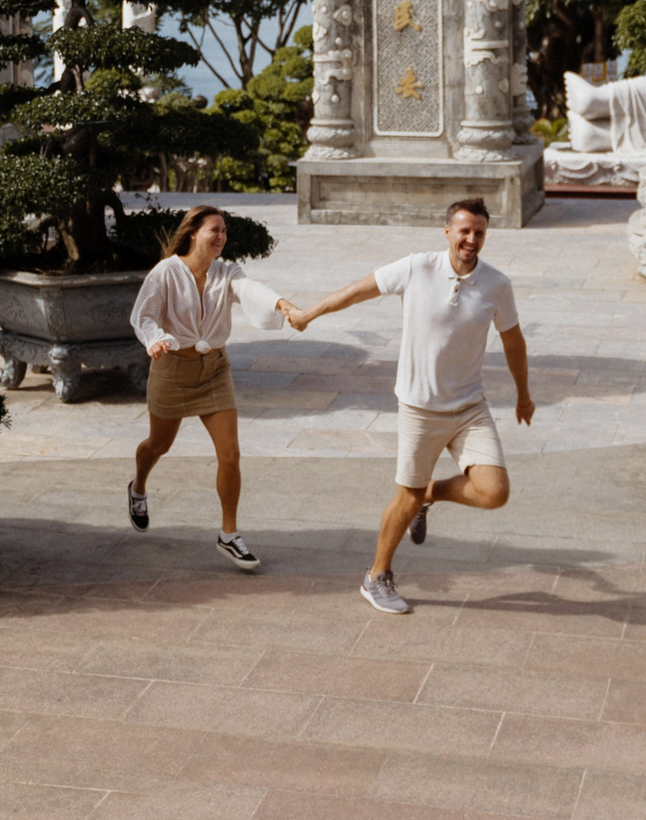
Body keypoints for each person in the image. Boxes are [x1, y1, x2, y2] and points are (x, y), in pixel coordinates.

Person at [287, 197, 533, 615]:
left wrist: (524, 394)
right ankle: (376, 576)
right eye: (464, 231)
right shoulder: (417, 267)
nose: (471, 239)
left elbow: (513, 341)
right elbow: (355, 292)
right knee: (405, 497)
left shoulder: (497, 285)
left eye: (479, 233)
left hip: (470, 406)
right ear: (448, 232)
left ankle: (431, 495)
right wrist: (309, 313)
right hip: (420, 408)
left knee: (494, 492)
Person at [126, 203, 293, 570]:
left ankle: (229, 535)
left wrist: (280, 303)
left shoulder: (226, 271)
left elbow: (250, 289)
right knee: (158, 444)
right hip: (171, 367)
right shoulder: (166, 272)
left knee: (230, 453)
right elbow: (144, 314)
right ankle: (138, 487)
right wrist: (154, 339)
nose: (221, 237)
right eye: (214, 230)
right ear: (192, 233)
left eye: (224, 232)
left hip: (215, 368)